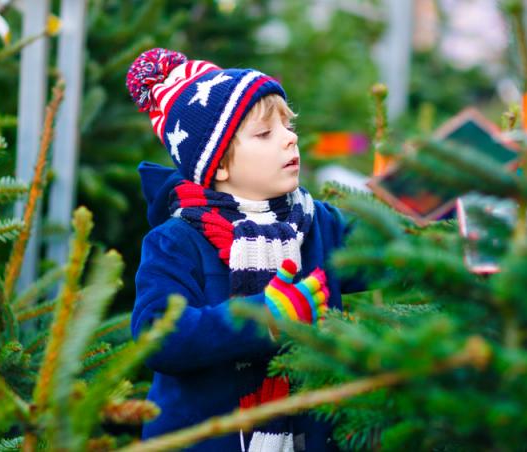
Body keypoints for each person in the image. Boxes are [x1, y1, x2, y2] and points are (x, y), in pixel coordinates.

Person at [128, 48, 362, 451]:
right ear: (218, 165)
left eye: (289, 127)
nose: (290, 139)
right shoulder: (177, 241)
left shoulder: (318, 223)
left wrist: (432, 210)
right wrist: (264, 318)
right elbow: (158, 336)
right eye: (265, 133)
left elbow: (387, 251)